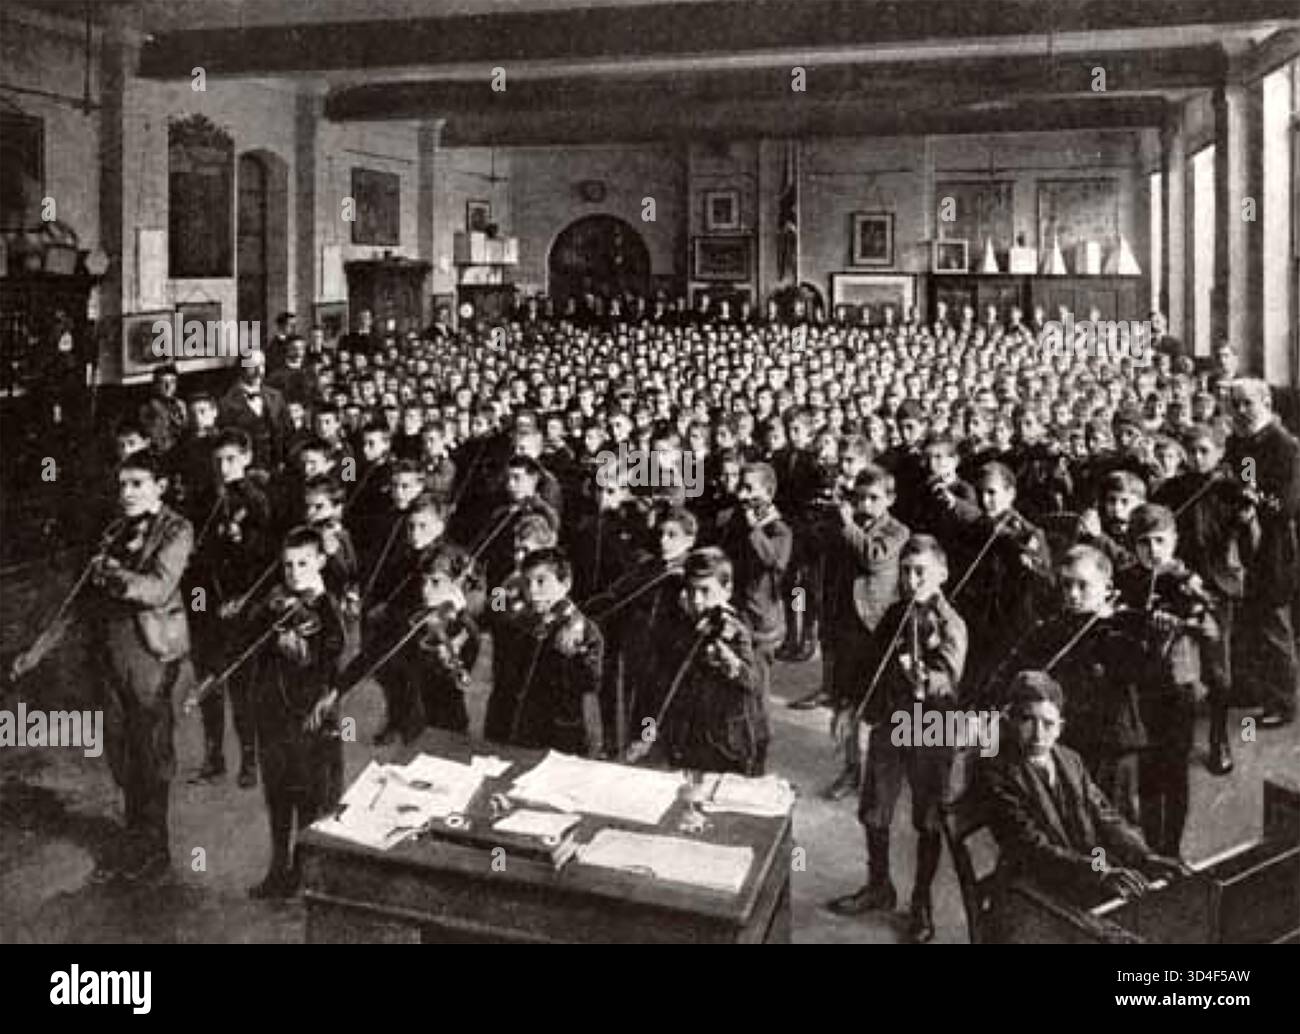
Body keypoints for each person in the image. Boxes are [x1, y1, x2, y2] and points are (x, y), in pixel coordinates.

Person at [13, 450, 194, 883]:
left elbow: (158, 588)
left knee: (151, 751)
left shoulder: (178, 529)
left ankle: (156, 849)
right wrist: (36, 652)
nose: (126, 493)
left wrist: (113, 574)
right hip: (110, 653)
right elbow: (79, 603)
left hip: (150, 654)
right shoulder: (114, 530)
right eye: (122, 485)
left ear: (160, 485)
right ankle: (135, 843)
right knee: (120, 752)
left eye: (137, 483)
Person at [828, 535, 967, 943]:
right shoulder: (895, 614)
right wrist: (851, 705)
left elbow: (949, 677)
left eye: (920, 571)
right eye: (905, 571)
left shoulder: (949, 623)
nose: (910, 579)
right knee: (875, 807)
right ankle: (879, 886)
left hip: (931, 725)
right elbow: (870, 664)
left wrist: (927, 679)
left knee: (927, 817)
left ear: (941, 574)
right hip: (891, 721)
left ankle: (921, 903)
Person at [981, 671, 1188, 918]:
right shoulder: (998, 773)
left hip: (1080, 872)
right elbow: (1031, 848)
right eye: (1027, 720)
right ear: (1010, 721)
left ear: (1060, 728)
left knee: (1150, 907)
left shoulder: (1070, 760)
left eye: (1047, 724)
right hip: (1030, 888)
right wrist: (1099, 873)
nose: (1038, 734)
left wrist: (1145, 857)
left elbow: (1105, 817)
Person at [246, 526, 347, 899]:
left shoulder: (328, 610)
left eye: (303, 563)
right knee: (277, 794)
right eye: (287, 565)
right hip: (274, 715)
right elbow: (252, 639)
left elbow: (332, 661)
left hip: (310, 719)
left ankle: (304, 872)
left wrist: (303, 653)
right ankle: (277, 869)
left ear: (321, 561)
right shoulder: (277, 601)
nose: (293, 573)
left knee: (308, 797)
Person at [1114, 504, 1218, 856]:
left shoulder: (1187, 580)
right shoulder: (1126, 578)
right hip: (1137, 687)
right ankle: (1150, 849)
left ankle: (1171, 849)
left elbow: (1212, 630)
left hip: (1177, 685)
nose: (1153, 550)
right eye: (1144, 542)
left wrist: (1192, 619)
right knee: (1145, 773)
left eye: (1160, 541)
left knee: (1174, 770)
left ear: (1174, 540)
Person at [191, 428, 273, 787]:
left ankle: (250, 759)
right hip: (207, 604)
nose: (224, 467)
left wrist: (245, 599)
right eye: (219, 461)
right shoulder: (203, 497)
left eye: (231, 460)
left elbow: (267, 559)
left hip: (242, 608)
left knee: (242, 687)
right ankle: (214, 756)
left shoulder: (257, 501)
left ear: (247, 459)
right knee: (209, 682)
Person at [639, 546, 767, 776]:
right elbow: (658, 688)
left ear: (727, 590)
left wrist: (732, 665)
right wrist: (646, 735)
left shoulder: (736, 629)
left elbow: (754, 683)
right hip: (686, 737)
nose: (697, 600)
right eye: (690, 591)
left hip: (724, 744)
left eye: (705, 591)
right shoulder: (681, 625)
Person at [1224, 378, 1300, 727]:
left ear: (1266, 402)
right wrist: (1241, 496)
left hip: (1275, 544)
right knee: (1251, 621)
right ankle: (1255, 690)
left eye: (1247, 404)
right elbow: (1244, 479)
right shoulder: (1243, 442)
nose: (1240, 411)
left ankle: (1284, 702)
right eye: (1234, 404)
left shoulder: (1284, 445)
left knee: (1273, 624)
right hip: (1245, 543)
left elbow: (1287, 503)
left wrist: (1255, 503)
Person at [484, 547, 604, 756]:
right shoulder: (524, 621)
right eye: (528, 582)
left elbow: (590, 685)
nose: (533, 591)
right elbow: (494, 617)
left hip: (556, 740)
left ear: (565, 584)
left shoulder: (584, 630)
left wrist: (574, 653)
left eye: (541, 581)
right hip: (514, 730)